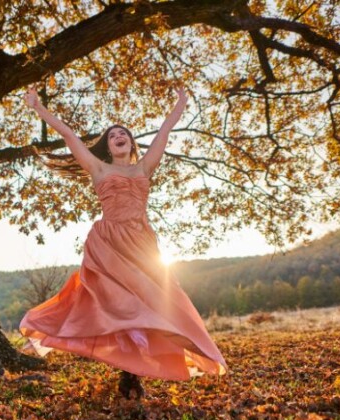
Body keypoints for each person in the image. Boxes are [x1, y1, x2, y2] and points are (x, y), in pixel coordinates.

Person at [19, 85, 228, 400]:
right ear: (107, 144)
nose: (119, 135)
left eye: (124, 134)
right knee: (120, 306)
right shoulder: (98, 168)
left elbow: (165, 132)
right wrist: (38, 108)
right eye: (113, 133)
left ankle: (134, 372)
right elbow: (68, 136)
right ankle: (129, 375)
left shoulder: (143, 167)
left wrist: (180, 104)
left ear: (131, 143)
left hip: (142, 245)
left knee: (151, 305)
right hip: (110, 243)